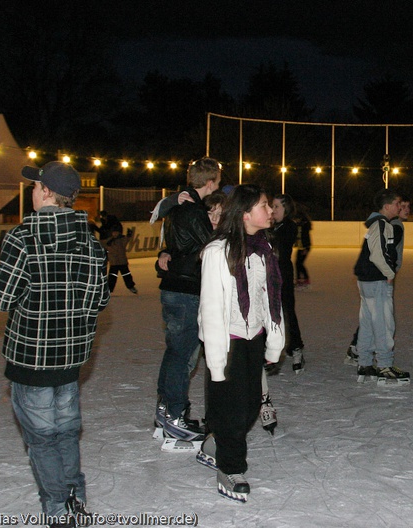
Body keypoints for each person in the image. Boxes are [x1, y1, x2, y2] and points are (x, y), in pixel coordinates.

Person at [0, 161, 110, 527]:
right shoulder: (90, 241)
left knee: (42, 438)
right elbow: (98, 301)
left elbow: (1, 297)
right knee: (66, 430)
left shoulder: (22, 237)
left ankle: (58, 508)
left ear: (44, 192)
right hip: (70, 357)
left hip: (31, 356)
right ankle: (74, 497)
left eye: (36, 186)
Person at [198, 184, 285, 502]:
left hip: (254, 338)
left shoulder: (264, 250)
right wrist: (216, 361)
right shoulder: (217, 251)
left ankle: (213, 443)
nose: (271, 211)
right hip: (228, 341)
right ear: (246, 213)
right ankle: (230, 469)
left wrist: (275, 341)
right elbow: (210, 308)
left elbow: (269, 299)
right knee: (233, 410)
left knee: (250, 406)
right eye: (265, 205)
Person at [154, 157, 220, 441]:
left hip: (175, 287)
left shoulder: (178, 206)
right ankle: (175, 416)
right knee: (182, 356)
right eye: (218, 180)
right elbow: (213, 247)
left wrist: (165, 253)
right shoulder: (192, 211)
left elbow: (176, 245)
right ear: (210, 182)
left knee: (175, 353)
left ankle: (165, 411)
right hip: (185, 290)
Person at [353, 189, 409, 384]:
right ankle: (385, 365)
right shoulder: (382, 224)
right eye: (397, 204)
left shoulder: (378, 224)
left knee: (368, 321)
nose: (399, 207)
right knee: (384, 323)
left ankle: (365, 362)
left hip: (366, 279)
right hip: (376, 280)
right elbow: (378, 254)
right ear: (387, 206)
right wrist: (390, 273)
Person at [271, 193, 305, 373]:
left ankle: (296, 347)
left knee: (287, 311)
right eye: (272, 206)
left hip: (282, 274)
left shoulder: (289, 226)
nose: (273, 209)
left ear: (286, 209)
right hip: (267, 274)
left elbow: (280, 250)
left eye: (277, 206)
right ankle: (268, 350)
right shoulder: (270, 226)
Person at [102, 226, 137, 294]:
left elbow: (127, 239)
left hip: (122, 262)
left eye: (116, 232)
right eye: (113, 232)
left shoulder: (122, 239)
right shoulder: (109, 241)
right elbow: (101, 243)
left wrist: (129, 234)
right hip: (114, 263)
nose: (115, 234)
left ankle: (131, 286)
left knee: (127, 275)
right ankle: (109, 289)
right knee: (112, 277)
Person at [294, 209, 312, 289]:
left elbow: (306, 237)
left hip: (304, 247)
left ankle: (306, 279)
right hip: (300, 247)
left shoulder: (305, 225)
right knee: (297, 263)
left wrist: (306, 248)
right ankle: (298, 280)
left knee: (300, 264)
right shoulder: (299, 225)